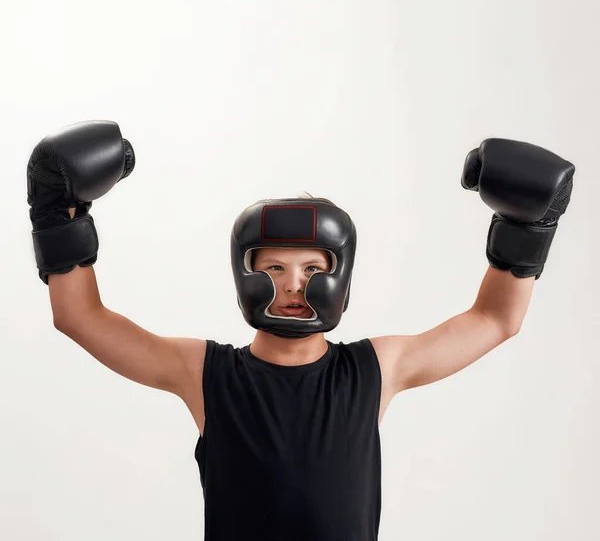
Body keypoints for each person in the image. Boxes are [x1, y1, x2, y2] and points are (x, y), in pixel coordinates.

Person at [27, 121, 575, 541]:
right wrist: (61, 220)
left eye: (313, 270)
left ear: (341, 275)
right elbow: (81, 317)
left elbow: (495, 319)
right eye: (274, 269)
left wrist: (527, 231)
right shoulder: (205, 373)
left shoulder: (374, 370)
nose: (293, 286)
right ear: (246, 273)